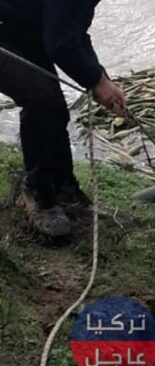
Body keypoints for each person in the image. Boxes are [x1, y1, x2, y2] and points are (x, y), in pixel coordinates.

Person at [0, 0, 127, 237]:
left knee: (56, 108)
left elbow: (73, 29)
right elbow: (61, 44)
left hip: (21, 28)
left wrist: (101, 78)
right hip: (5, 34)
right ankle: (38, 193)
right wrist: (96, 81)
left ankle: (62, 188)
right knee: (42, 100)